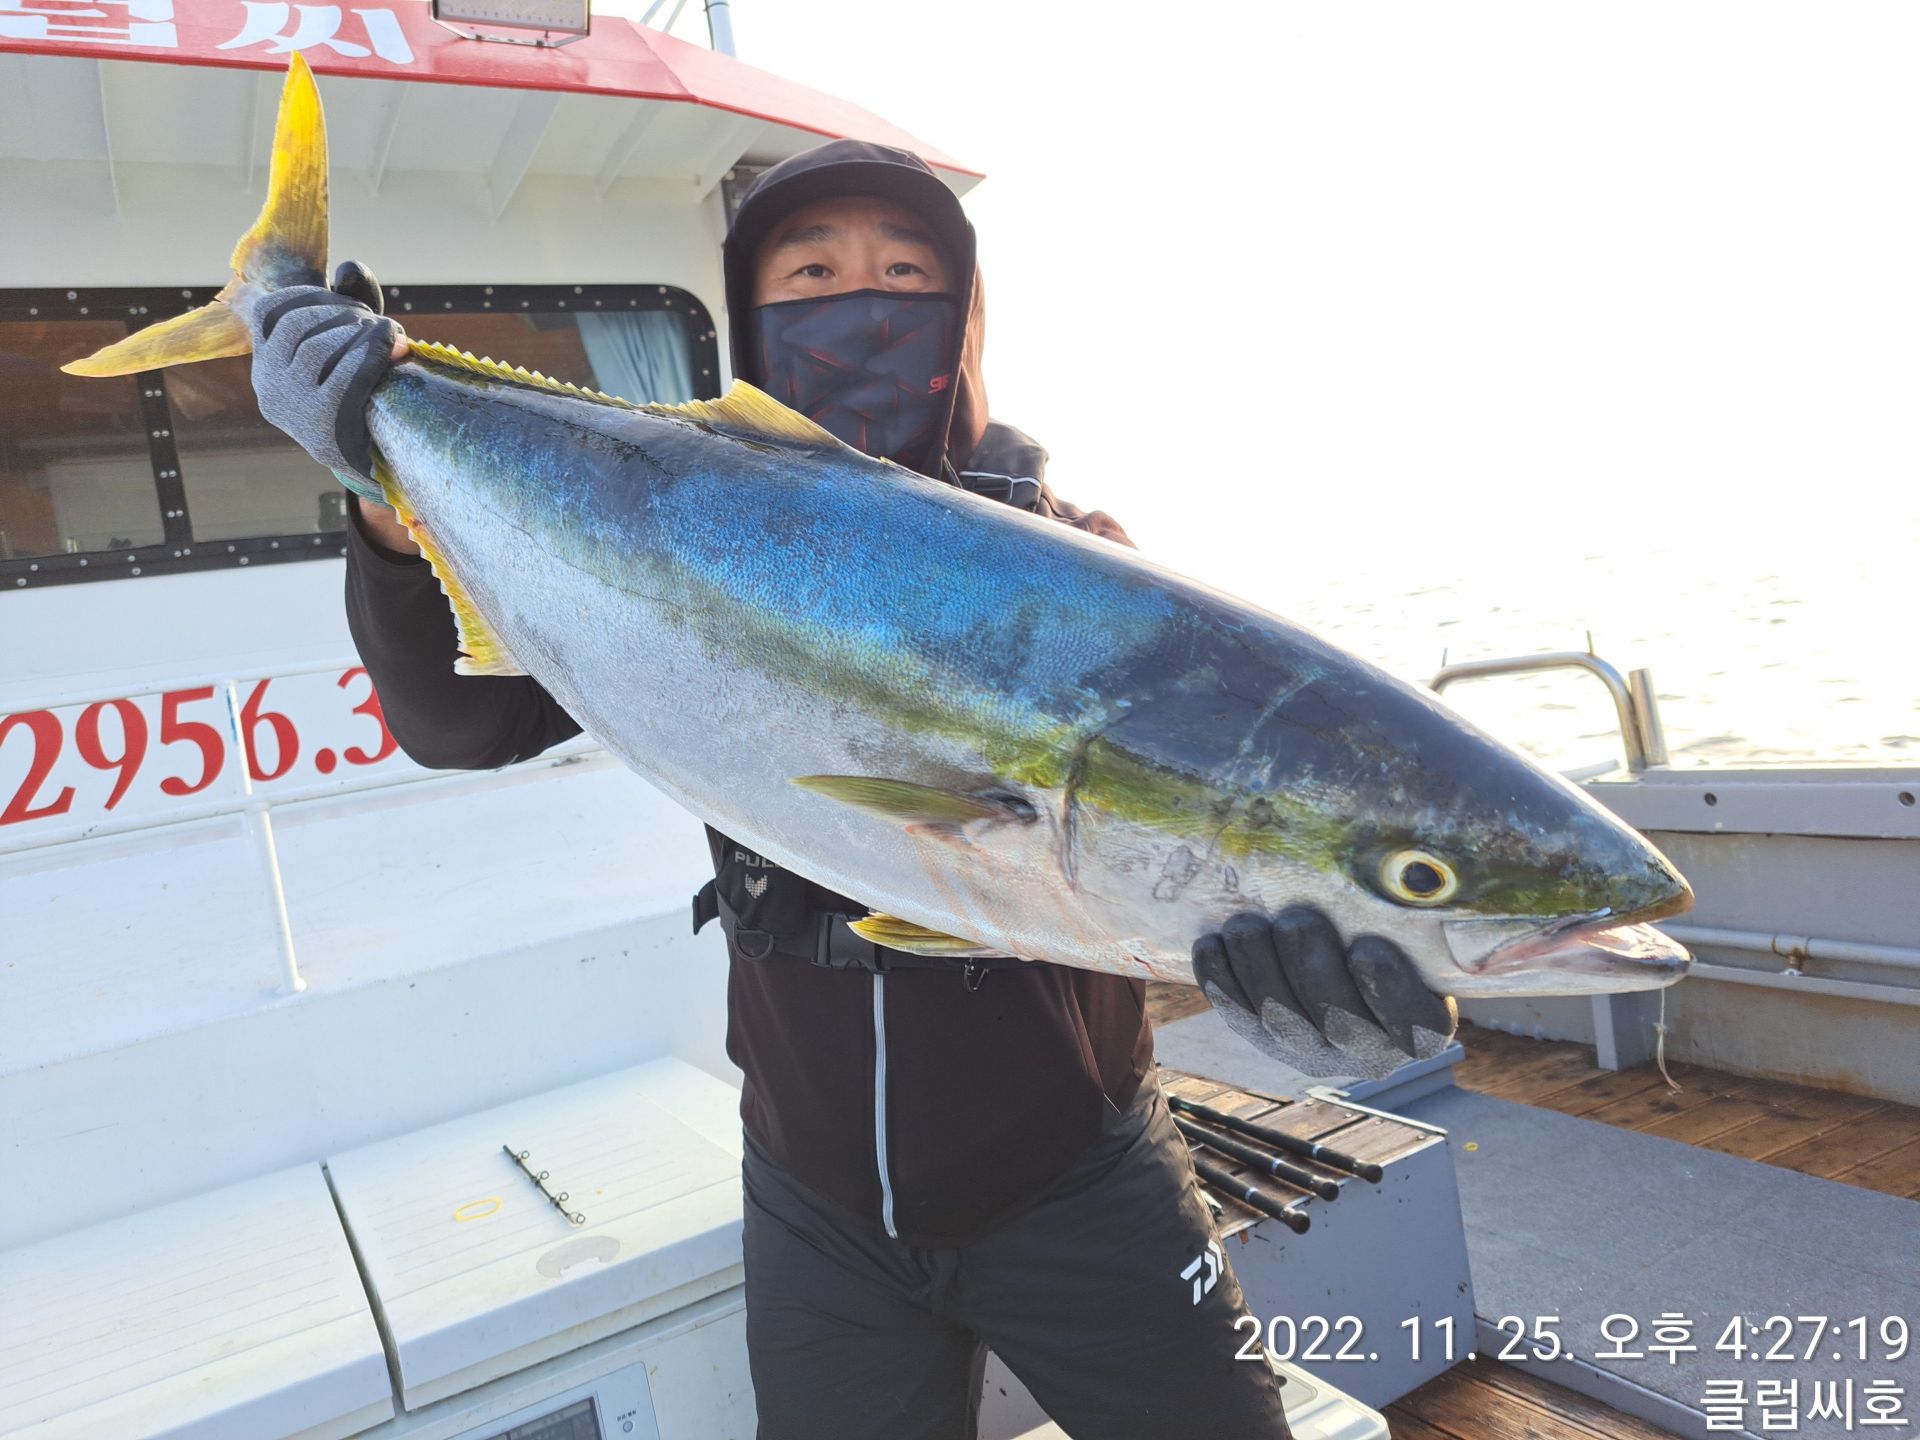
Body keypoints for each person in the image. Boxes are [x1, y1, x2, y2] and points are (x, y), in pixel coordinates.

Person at [249, 139, 1457, 1440]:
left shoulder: (1076, 566)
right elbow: (459, 722)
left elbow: (1205, 813)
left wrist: (1294, 968)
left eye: (905, 273)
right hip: (812, 1197)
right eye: (813, 274)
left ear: (963, 317)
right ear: (753, 316)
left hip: (1080, 1177)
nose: (862, 301)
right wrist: (384, 497)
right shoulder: (667, 523)